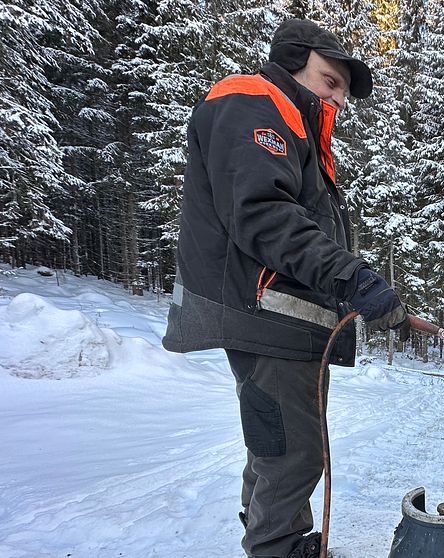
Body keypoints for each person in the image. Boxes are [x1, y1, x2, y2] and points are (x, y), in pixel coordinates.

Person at [162, 18, 409, 558]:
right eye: (330, 81)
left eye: (343, 90)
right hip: (265, 315)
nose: (338, 99)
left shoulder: (293, 124)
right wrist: (353, 277)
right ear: (295, 60)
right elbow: (264, 215)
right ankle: (277, 547)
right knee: (294, 452)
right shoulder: (255, 101)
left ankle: (277, 537)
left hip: (286, 321)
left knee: (276, 445)